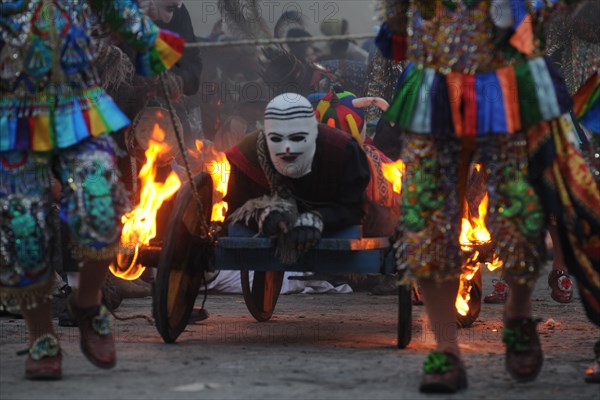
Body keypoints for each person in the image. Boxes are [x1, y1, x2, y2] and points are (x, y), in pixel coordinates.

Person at [376, 0, 600, 393]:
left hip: (508, 79)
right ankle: (445, 347)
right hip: (435, 82)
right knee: (428, 220)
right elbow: (396, 27)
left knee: (520, 213)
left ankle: (518, 313)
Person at [0, 0, 183, 380]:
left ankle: (88, 304)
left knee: (102, 205)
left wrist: (156, 51)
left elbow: (125, 14)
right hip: (16, 127)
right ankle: (41, 338)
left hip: (79, 120)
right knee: (25, 232)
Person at [223, 93, 371, 264]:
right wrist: (263, 216)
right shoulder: (246, 155)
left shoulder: (343, 150)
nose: (287, 148)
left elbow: (355, 208)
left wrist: (320, 218)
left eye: (297, 138)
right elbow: (236, 209)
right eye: (277, 139)